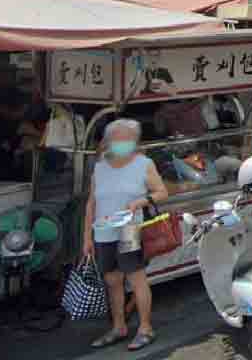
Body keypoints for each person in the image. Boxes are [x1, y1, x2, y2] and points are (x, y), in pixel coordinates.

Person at [82, 119, 169, 351]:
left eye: (129, 138)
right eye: (118, 138)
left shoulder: (144, 164)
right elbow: (91, 203)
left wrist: (140, 202)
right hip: (103, 231)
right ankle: (118, 327)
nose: (124, 142)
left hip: (130, 230)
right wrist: (87, 237)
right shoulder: (100, 167)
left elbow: (161, 192)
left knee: (136, 279)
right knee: (112, 281)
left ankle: (145, 328)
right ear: (108, 141)